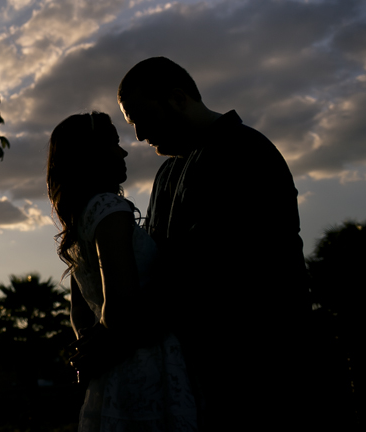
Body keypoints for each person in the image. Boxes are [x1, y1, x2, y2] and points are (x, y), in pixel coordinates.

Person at [115, 56, 313, 430]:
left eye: (142, 117)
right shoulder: (167, 172)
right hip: (197, 379)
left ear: (177, 97)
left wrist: (120, 335)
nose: (139, 135)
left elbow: (206, 270)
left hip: (262, 373)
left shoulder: (245, 151)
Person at [47, 112, 197, 432]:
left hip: (111, 372)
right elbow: (121, 304)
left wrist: (91, 354)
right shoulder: (109, 209)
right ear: (93, 154)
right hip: (146, 359)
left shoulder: (78, 220)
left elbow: (80, 314)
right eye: (114, 143)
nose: (124, 151)